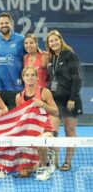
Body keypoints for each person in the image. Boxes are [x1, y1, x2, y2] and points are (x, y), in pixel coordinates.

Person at [46, 30, 83, 171]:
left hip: (70, 100)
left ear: (61, 40)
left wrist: (72, 98)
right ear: (48, 44)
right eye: (51, 41)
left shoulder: (70, 55)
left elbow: (77, 78)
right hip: (55, 101)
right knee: (53, 132)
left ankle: (67, 162)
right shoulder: (51, 58)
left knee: (69, 130)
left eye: (55, 40)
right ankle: (54, 161)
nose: (54, 43)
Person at [15, 66, 59, 180]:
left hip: (46, 131)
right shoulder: (19, 97)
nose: (30, 77)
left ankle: (45, 167)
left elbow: (56, 112)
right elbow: (20, 118)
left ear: (36, 78)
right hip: (30, 134)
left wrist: (43, 105)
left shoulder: (44, 92)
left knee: (41, 139)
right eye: (27, 75)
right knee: (24, 173)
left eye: (33, 75)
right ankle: (38, 163)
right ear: (23, 77)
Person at [0, 12, 25, 109]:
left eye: (6, 23)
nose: (4, 25)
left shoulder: (21, 39)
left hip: (16, 88)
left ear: (11, 24)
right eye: (1, 23)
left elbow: (32, 54)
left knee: (15, 120)